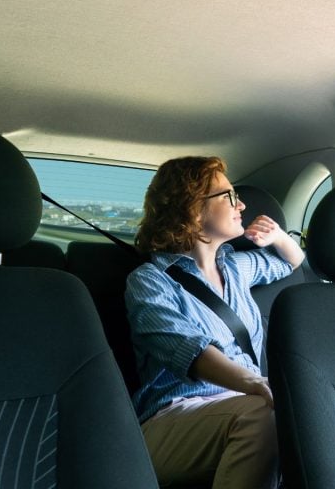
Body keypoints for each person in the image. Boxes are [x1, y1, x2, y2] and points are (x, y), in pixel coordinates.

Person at [125, 156, 304, 488]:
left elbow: (292, 261)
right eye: (229, 196)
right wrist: (257, 383)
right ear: (193, 209)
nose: (242, 204)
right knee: (264, 414)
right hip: (174, 416)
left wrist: (277, 235)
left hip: (240, 404)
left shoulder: (235, 269)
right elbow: (188, 350)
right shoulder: (150, 281)